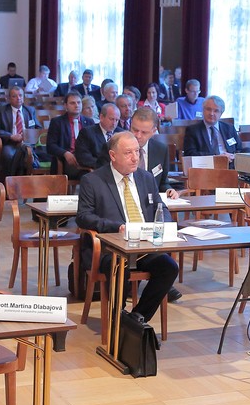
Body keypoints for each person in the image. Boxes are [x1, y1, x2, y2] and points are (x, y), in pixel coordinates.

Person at [77, 132, 180, 324]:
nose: (135, 158)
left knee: (169, 267)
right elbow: (83, 217)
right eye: (128, 153)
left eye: (137, 152)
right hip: (111, 249)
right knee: (119, 266)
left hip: (144, 247)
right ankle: (117, 319)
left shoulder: (146, 177)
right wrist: (117, 227)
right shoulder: (92, 180)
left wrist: (165, 226)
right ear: (113, 155)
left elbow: (161, 207)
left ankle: (136, 319)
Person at [0, 85, 40, 177]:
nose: (18, 98)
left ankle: (24, 180)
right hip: (10, 143)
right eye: (14, 96)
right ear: (9, 98)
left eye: (20, 95)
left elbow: (38, 128)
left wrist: (27, 136)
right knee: (8, 155)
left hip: (27, 144)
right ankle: (10, 180)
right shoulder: (1, 111)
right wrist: (11, 136)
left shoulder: (30, 110)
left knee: (31, 155)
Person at [46, 92, 95, 179]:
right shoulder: (57, 122)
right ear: (66, 106)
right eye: (72, 103)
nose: (76, 105)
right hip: (67, 161)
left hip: (86, 159)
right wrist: (65, 153)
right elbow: (50, 146)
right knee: (90, 175)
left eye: (79, 102)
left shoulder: (89, 122)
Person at [129, 107, 175, 196]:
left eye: (144, 132)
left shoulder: (161, 150)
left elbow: (163, 183)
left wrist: (169, 190)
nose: (138, 136)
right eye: (135, 130)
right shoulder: (117, 147)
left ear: (154, 131)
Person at [182, 96, 243, 162]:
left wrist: (232, 156)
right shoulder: (193, 130)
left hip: (230, 164)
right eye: (208, 109)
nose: (211, 113)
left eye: (216, 111)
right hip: (207, 165)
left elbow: (239, 149)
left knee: (248, 151)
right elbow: (190, 154)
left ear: (221, 113)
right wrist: (216, 157)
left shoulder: (229, 128)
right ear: (203, 110)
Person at [76, 102, 120, 171]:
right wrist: (107, 167)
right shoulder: (87, 132)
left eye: (117, 120)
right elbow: (83, 157)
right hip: (96, 170)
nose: (114, 123)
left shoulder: (121, 133)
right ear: (101, 117)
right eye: (111, 119)